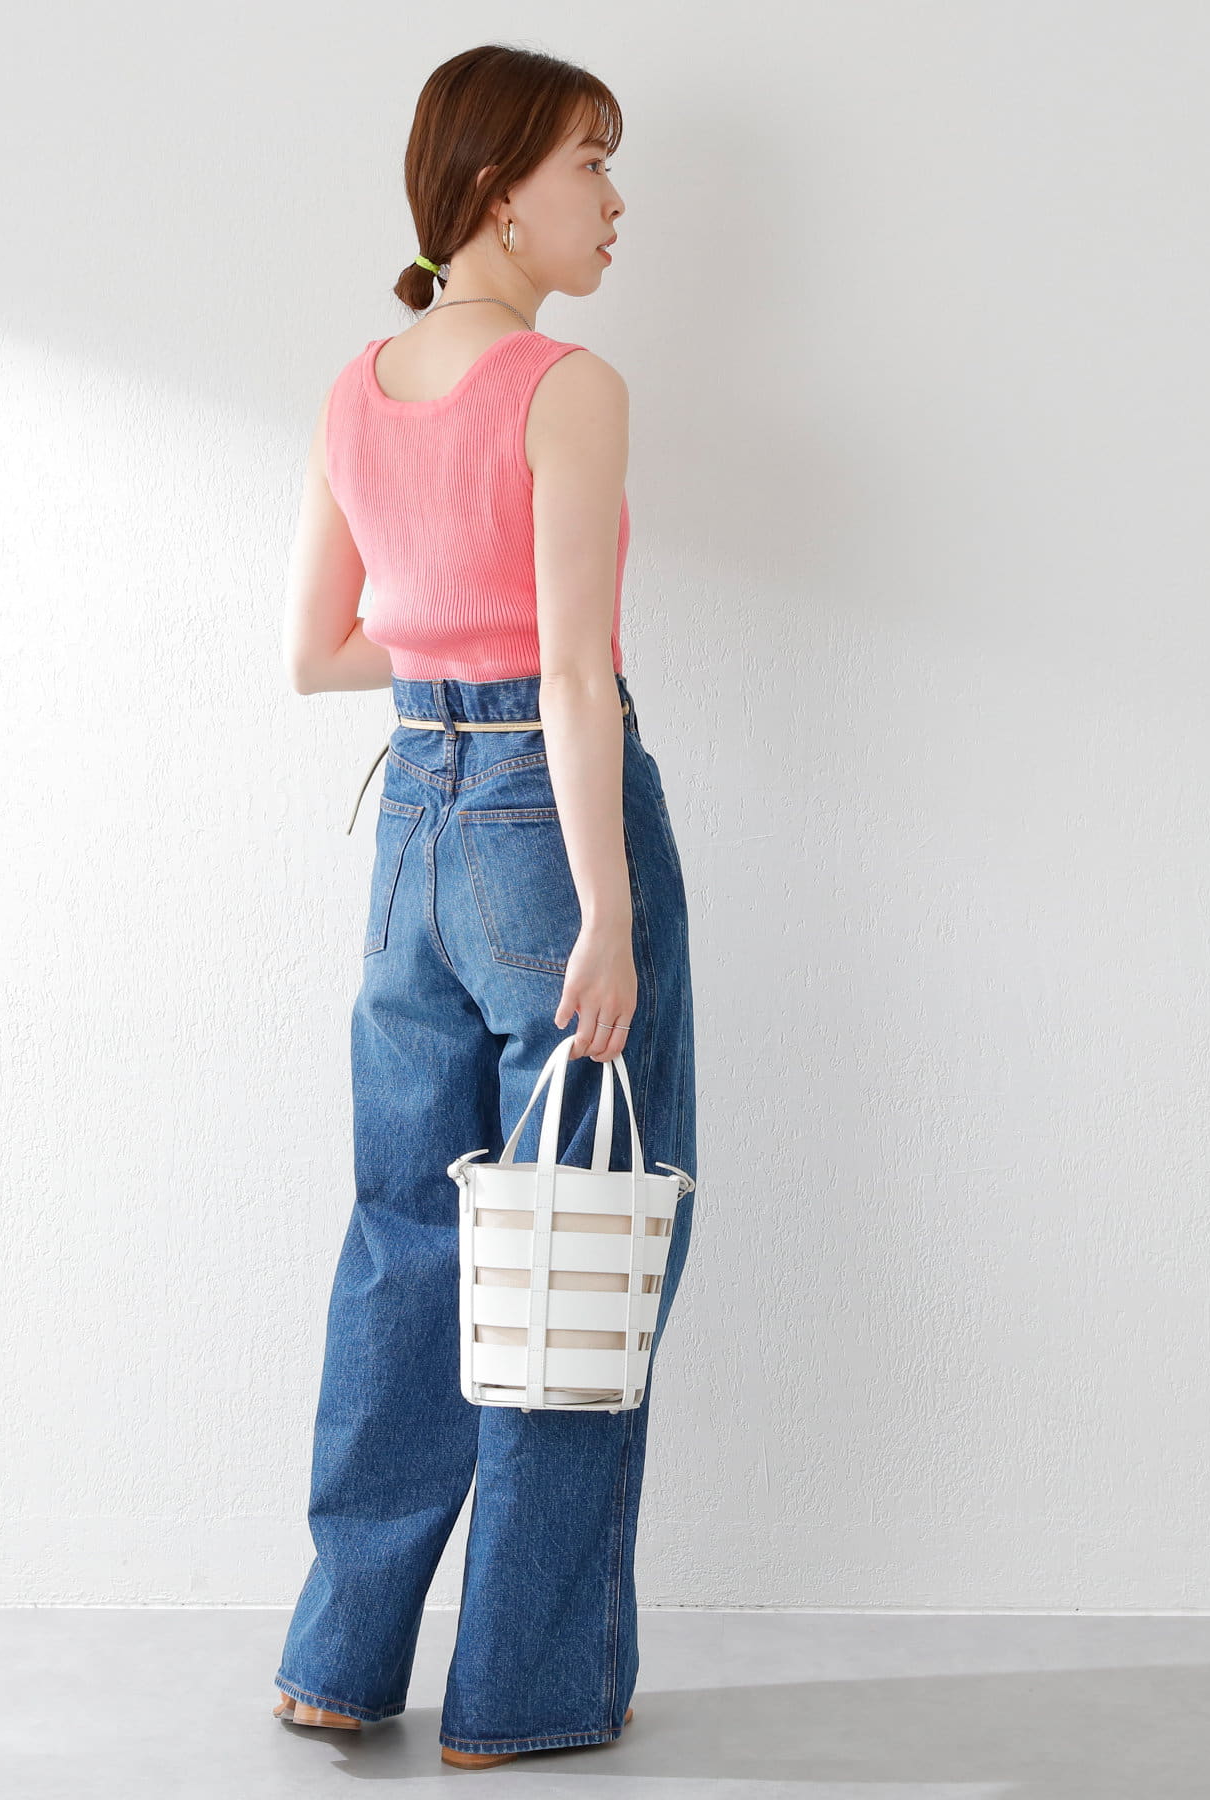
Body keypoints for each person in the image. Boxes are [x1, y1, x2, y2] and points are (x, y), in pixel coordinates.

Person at [271, 42, 699, 1771]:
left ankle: (339, 1661)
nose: (615, 198)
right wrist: (608, 912)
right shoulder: (564, 386)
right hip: (544, 826)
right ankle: (523, 1694)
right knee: (570, 1249)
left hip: (412, 834)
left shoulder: (354, 387)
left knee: (408, 1239)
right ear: (497, 189)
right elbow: (576, 677)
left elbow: (319, 653)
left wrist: (443, 648)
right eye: (591, 162)